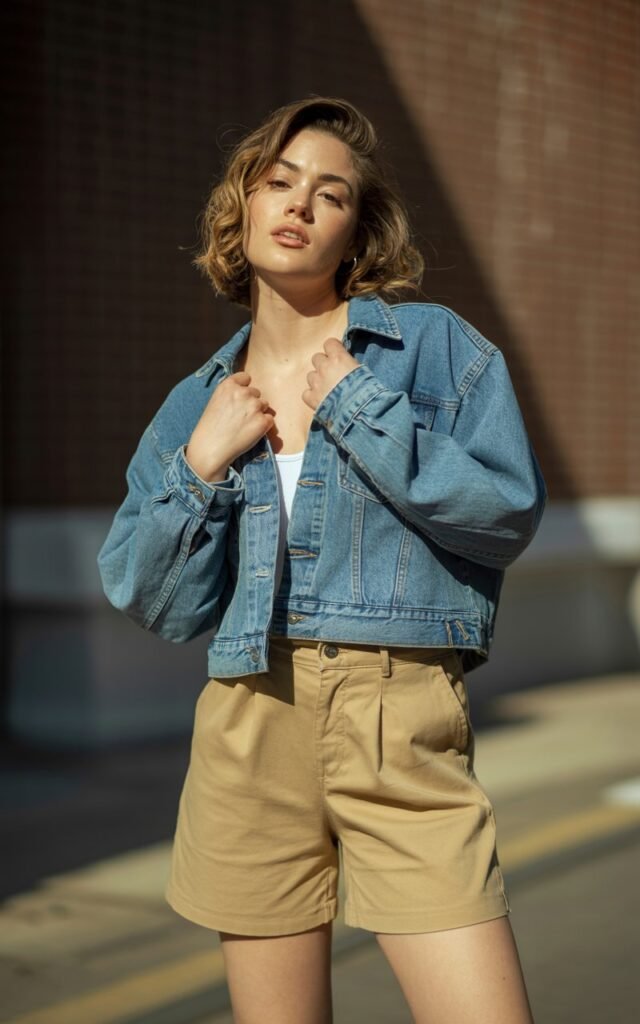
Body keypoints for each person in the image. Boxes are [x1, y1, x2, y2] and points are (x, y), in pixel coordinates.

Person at [98, 96, 546, 1024]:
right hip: (249, 721)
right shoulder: (195, 405)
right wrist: (199, 466)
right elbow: (151, 597)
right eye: (279, 181)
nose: (299, 204)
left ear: (357, 232)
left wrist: (359, 408)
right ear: (245, 207)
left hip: (398, 714)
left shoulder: (433, 351)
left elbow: (504, 513)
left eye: (330, 193)